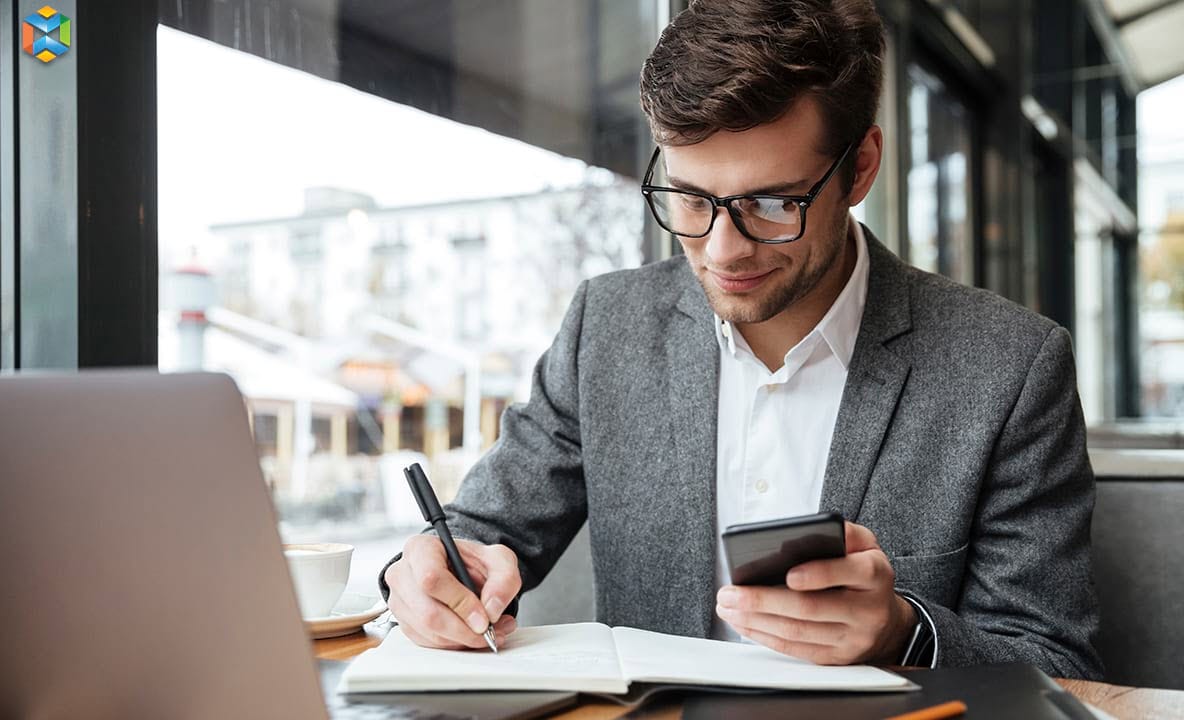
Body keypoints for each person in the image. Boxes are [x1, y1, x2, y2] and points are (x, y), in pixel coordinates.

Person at [380, 0, 1102, 678]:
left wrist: (902, 632)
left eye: (772, 202)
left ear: (860, 167)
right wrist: (425, 577)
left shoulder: (1009, 368)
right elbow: (477, 535)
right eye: (691, 199)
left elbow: (1057, 662)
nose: (724, 250)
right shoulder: (607, 326)